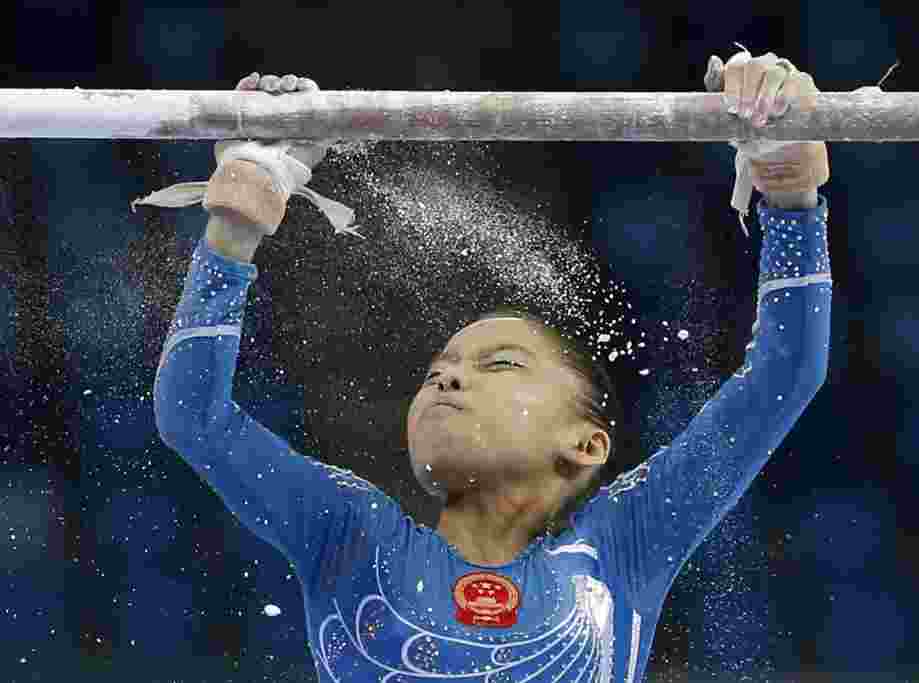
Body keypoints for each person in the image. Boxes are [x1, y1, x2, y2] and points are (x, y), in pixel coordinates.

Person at [148, 48, 832, 682]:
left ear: (587, 442)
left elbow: (783, 373)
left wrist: (789, 189)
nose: (446, 377)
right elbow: (194, 418)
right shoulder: (349, 534)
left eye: (500, 364)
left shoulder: (626, 545)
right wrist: (240, 217)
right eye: (436, 370)